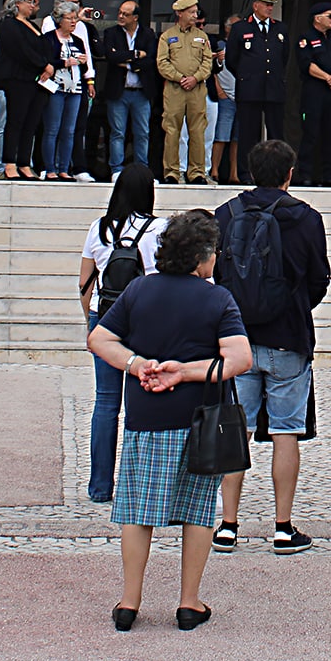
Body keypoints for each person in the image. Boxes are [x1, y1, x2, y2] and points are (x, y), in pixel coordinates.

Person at [89, 210, 253, 633]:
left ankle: (129, 603)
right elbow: (239, 359)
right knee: (198, 512)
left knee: (136, 511)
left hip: (145, 416)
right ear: (203, 258)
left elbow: (99, 338)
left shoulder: (139, 290)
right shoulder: (217, 299)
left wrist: (137, 364)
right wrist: (186, 371)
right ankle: (188, 603)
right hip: (198, 419)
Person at [213, 140, 330, 555]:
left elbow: (217, 274)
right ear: (289, 174)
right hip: (288, 335)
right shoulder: (307, 218)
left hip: (236, 336)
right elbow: (319, 279)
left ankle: (227, 524)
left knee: (236, 429)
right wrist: (292, 303)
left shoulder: (226, 215)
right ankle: (283, 526)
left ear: (248, 171)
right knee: (286, 431)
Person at [81, 165, 163, 503]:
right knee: (141, 402)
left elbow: (85, 281)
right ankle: (136, 483)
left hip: (105, 316)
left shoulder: (99, 228)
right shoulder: (158, 228)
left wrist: (91, 321)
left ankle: (100, 486)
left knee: (105, 402)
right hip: (144, 318)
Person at [0, 0, 52, 181]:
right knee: (15, 121)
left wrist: (48, 66)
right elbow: (21, 50)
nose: (32, 5)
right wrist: (43, 64)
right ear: (17, 3)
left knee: (31, 123)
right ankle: (9, 163)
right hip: (18, 80)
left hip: (37, 81)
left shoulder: (33, 25)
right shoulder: (9, 25)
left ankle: (25, 163)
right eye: (29, 1)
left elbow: (43, 48)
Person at [41, 0, 99, 180]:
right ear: (60, 19)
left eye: (75, 18)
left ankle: (64, 169)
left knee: (69, 130)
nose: (74, 22)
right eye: (69, 18)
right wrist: (65, 62)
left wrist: (86, 73)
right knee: (52, 129)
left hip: (75, 88)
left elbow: (86, 60)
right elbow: (46, 61)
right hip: (56, 88)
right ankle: (50, 169)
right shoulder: (49, 37)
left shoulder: (78, 39)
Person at [156, 0, 213, 185]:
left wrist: (195, 78)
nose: (195, 16)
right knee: (172, 129)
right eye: (191, 12)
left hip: (197, 89)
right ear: (180, 13)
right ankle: (171, 171)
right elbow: (162, 62)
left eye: (196, 12)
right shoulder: (167, 36)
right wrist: (180, 78)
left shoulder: (202, 36)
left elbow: (207, 62)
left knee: (197, 130)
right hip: (174, 89)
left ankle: (196, 172)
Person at [227, 0, 289, 153]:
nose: (270, 8)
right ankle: (246, 174)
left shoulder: (280, 28)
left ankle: (276, 173)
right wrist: (246, 76)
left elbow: (284, 57)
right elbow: (232, 59)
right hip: (250, 89)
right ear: (256, 6)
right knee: (248, 134)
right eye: (267, 5)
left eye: (272, 5)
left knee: (276, 135)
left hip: (274, 88)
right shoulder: (240, 28)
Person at [103, 0, 159, 176]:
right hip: (119, 91)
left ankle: (141, 168)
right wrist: (135, 55)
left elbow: (150, 60)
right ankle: (116, 169)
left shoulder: (148, 34)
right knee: (117, 132)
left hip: (141, 92)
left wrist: (127, 63)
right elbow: (111, 57)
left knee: (142, 132)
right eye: (119, 13)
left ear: (135, 17)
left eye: (125, 14)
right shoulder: (111, 32)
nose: (120, 16)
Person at [298, 2, 331, 186]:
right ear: (317, 18)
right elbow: (307, 64)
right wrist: (328, 77)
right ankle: (305, 174)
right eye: (330, 16)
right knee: (310, 133)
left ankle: (330, 175)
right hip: (314, 93)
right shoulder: (306, 38)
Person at [211, 15, 241, 185]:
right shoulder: (220, 45)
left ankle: (234, 174)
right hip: (225, 97)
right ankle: (214, 170)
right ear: (227, 28)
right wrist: (219, 90)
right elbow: (212, 70)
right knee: (221, 136)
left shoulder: (245, 47)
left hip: (241, 97)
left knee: (237, 138)